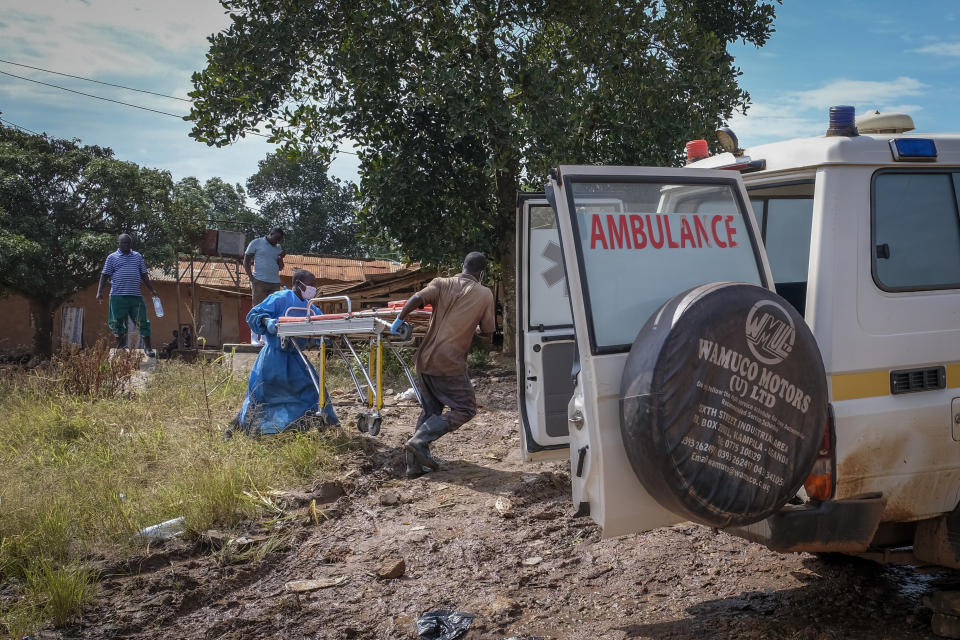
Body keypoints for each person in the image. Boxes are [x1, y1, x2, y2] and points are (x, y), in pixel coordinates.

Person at [391, 251, 495, 477]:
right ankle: (419, 441)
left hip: (424, 359)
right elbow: (488, 331)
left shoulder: (441, 283)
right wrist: (474, 328)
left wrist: (400, 319)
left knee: (431, 409)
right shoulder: (485, 293)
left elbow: (416, 299)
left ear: (462, 266)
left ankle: (413, 465)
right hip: (449, 362)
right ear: (481, 273)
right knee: (465, 408)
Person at [232, 269, 339, 435]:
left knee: (313, 389)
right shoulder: (281, 298)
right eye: (311, 285)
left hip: (296, 357)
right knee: (262, 395)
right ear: (298, 284)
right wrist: (267, 321)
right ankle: (250, 427)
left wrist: (325, 335)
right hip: (273, 357)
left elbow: (321, 322)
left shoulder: (311, 307)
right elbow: (254, 315)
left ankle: (323, 424)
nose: (314, 289)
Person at [96, 233, 158, 358]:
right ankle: (121, 347)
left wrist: (152, 290)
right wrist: (99, 292)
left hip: (135, 296)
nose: (126, 245)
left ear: (131, 244)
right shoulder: (112, 257)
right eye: (123, 242)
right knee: (117, 322)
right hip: (118, 296)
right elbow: (104, 275)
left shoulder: (137, 256)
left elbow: (144, 274)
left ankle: (148, 347)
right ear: (118, 244)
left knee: (143, 321)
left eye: (128, 243)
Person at [244, 228, 286, 343]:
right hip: (260, 281)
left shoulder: (278, 248)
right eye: (276, 238)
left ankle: (265, 338)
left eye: (280, 240)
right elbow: (246, 260)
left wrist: (280, 258)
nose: (277, 241)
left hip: (274, 282)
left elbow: (281, 267)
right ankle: (254, 338)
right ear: (270, 234)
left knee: (271, 310)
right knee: (257, 308)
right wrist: (251, 277)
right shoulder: (256, 243)